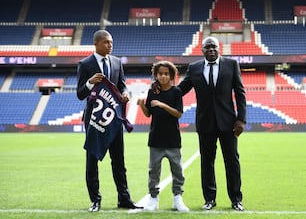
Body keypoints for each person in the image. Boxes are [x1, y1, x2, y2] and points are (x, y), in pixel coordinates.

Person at [153, 36, 246, 211]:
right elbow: (181, 90)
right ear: (202, 50)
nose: (211, 50)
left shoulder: (231, 65)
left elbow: (240, 92)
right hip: (205, 123)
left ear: (219, 49)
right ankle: (209, 199)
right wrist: (160, 89)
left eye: (214, 47)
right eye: (207, 47)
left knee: (232, 161)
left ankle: (236, 199)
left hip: (228, 123)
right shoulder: (194, 68)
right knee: (207, 162)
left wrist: (241, 119)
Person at [77, 29, 142, 212]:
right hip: (94, 121)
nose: (110, 45)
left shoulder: (116, 62)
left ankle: (124, 199)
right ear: (96, 43)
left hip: (114, 120)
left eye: (111, 42)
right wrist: (90, 82)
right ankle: (95, 200)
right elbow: (80, 93)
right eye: (106, 42)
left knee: (119, 161)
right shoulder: (85, 64)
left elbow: (121, 84)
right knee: (92, 161)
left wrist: (125, 93)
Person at [137, 61, 190, 212]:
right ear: (156, 75)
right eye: (160, 74)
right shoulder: (152, 91)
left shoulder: (176, 92)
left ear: (171, 75)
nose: (163, 76)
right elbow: (148, 113)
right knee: (153, 171)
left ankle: (177, 198)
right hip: (156, 139)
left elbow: (178, 114)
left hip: (173, 139)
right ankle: (153, 198)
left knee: (177, 170)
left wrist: (162, 105)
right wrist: (142, 105)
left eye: (166, 74)